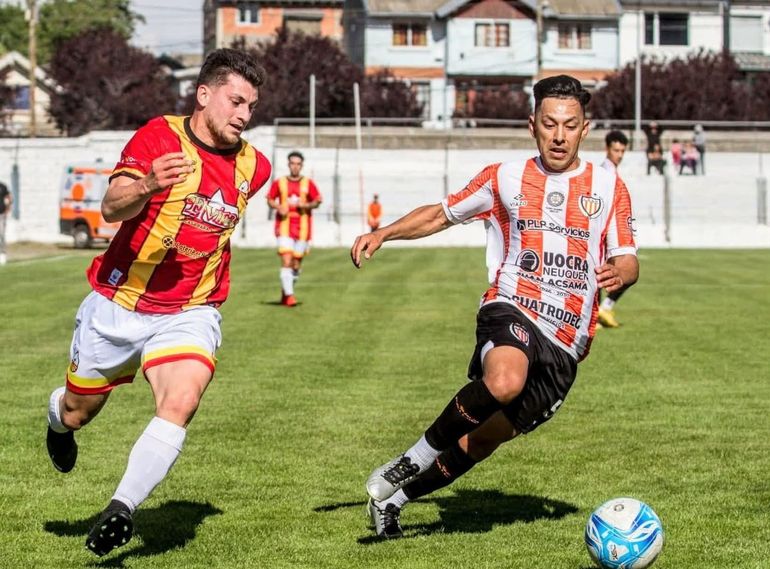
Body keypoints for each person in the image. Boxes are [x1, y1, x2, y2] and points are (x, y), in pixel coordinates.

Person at [351, 75, 638, 539]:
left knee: (483, 440)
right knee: (504, 380)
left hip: (567, 343)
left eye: (570, 125)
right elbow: (441, 212)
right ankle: (411, 459)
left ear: (585, 129)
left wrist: (622, 272)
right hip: (513, 305)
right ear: (532, 126)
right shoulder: (503, 177)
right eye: (549, 124)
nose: (559, 135)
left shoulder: (609, 188)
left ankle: (394, 500)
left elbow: (628, 256)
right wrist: (385, 233)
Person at [44, 48, 271, 557]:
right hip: (118, 304)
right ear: (204, 94)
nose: (244, 115)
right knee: (80, 411)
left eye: (252, 106)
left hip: (192, 310)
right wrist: (149, 183)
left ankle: (121, 507)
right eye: (236, 102)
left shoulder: (256, 168)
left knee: (181, 400)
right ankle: (57, 419)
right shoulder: (158, 137)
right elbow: (109, 207)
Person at [267, 151, 322, 307]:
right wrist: (278, 206)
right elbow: (270, 199)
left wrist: (307, 205)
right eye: (292, 163)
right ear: (288, 164)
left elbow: (317, 201)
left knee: (296, 264)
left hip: (303, 229)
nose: (295, 166)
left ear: (301, 165)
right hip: (284, 226)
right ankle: (290, 297)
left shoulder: (308, 183)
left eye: (298, 164)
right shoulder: (280, 182)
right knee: (286, 259)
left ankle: (286, 292)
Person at [598, 130, 632, 329]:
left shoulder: (611, 170)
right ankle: (601, 311)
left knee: (609, 272)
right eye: (616, 150)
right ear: (607, 149)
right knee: (623, 270)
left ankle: (602, 310)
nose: (619, 154)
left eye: (622, 151)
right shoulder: (606, 172)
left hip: (611, 231)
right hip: (606, 232)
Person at [0, 180, 11, 265]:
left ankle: (2, 254)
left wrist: (7, 209)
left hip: (1, 214)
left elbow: (8, 197)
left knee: (1, 234)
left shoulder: (2, 186)